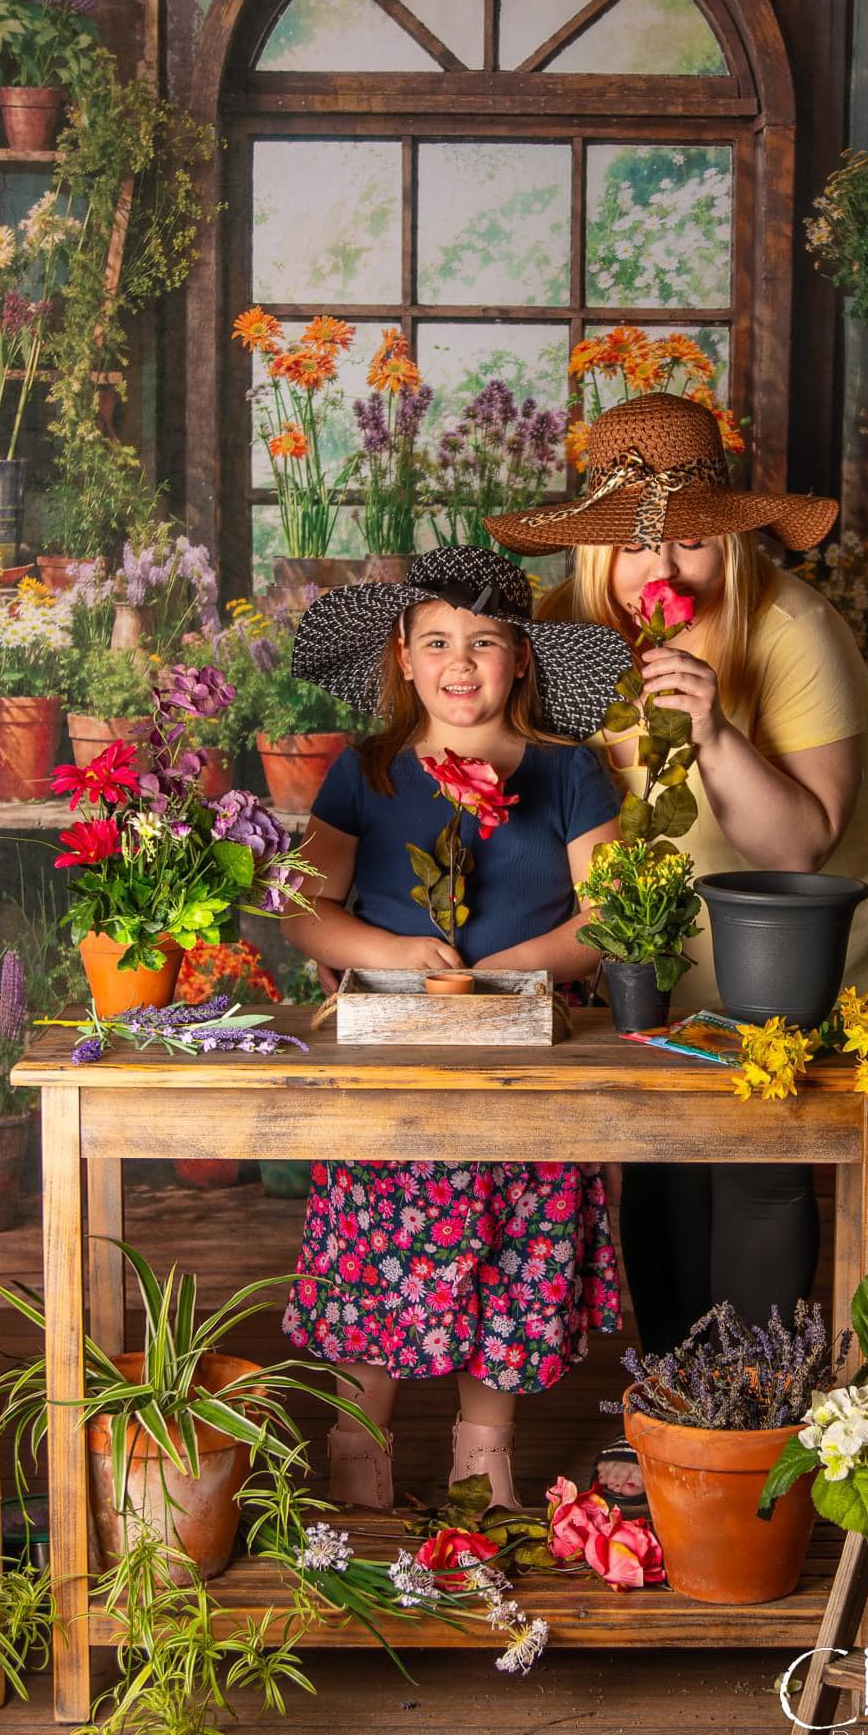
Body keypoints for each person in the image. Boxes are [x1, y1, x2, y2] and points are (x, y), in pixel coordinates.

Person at [489, 392, 868, 1356]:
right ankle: (674, 1404)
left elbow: (797, 845)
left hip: (795, 927)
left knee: (756, 1158)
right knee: (662, 1154)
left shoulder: (791, 630)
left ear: (729, 542)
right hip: (657, 925)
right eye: (636, 546)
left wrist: (713, 727)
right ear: (597, 551)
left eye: (689, 542)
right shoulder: (561, 633)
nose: (662, 568)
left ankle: (747, 1411)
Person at [278, 546, 631, 1510]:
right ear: (402, 657)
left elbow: (608, 915)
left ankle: (485, 1459)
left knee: (515, 1249)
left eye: (482, 642)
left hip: (524, 1049)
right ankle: (359, 1455)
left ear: (521, 658)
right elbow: (306, 910)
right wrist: (398, 953)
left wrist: (510, 966)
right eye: (436, 642)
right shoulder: (369, 770)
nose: (459, 664)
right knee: (371, 1246)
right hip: (393, 1054)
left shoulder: (569, 773)